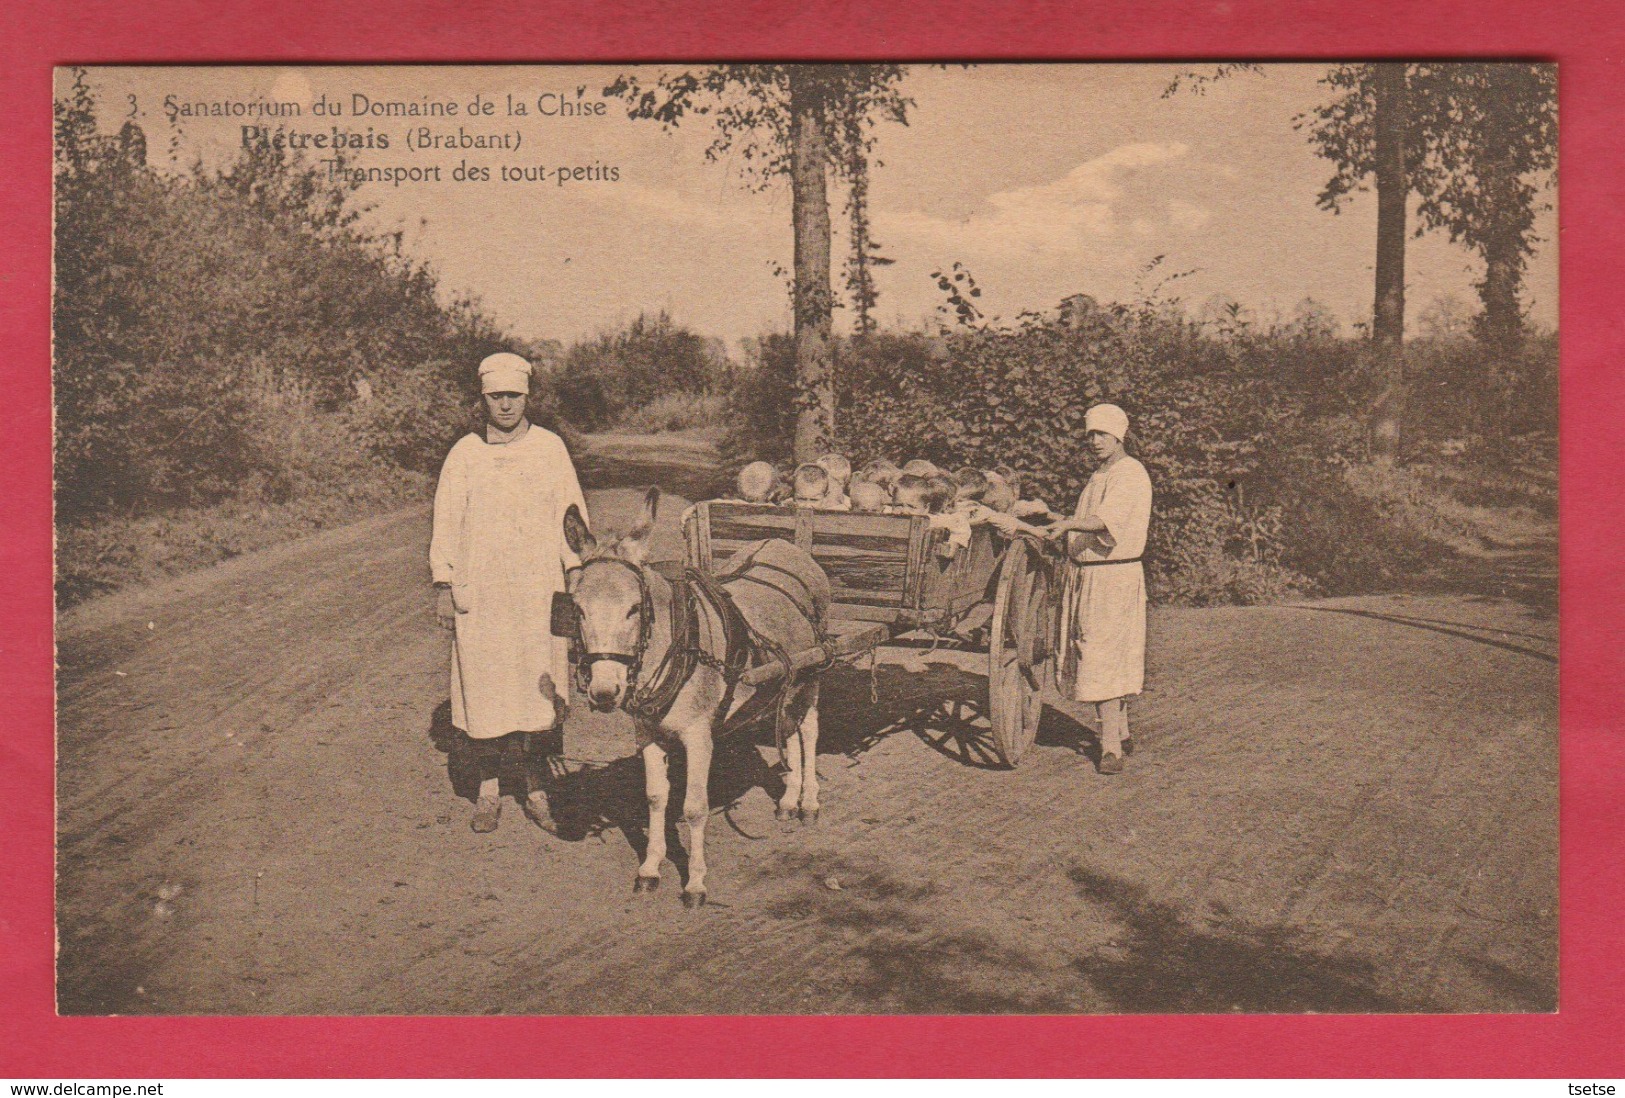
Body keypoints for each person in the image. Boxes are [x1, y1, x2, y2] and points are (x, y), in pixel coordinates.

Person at [430, 352, 589, 832]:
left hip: (538, 590)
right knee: (486, 685)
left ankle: (537, 787)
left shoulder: (549, 448)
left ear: (527, 397)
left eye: (513, 396)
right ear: (483, 399)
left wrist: (575, 567)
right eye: (496, 397)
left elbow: (571, 516)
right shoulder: (464, 454)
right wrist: (443, 583)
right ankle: (488, 790)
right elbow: (445, 522)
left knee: (539, 685)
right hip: (481, 592)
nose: (505, 406)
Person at [980, 403, 1152, 774]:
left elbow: (1105, 521)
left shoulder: (1130, 473)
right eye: (1090, 434)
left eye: (1102, 434)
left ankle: (1109, 749)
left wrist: (1066, 524)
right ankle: (1120, 731)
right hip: (1088, 574)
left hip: (1111, 577)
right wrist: (1052, 517)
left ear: (1119, 435)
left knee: (1100, 652)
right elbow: (1086, 521)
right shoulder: (1100, 475)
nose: (1094, 441)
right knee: (1097, 649)